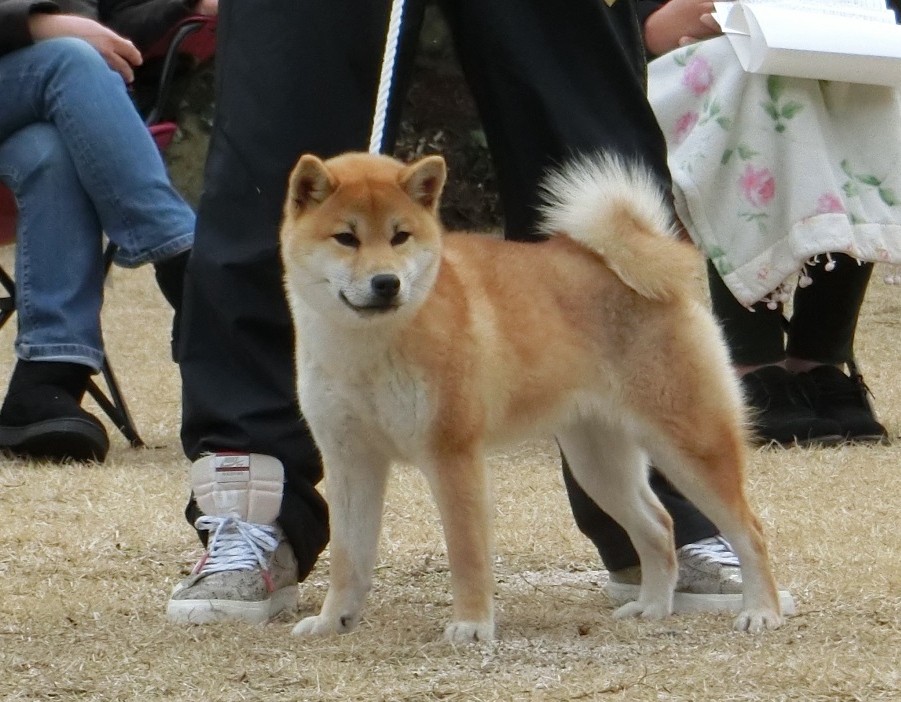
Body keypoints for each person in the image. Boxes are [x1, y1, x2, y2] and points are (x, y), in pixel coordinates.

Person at [164, 0, 774, 626]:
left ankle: (685, 520)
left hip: (614, 332)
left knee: (574, 102)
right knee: (278, 108)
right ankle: (253, 504)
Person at [636, 0, 901, 447]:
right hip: (706, 75)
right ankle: (752, 365)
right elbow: (652, 29)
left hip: (806, 60)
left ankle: (819, 362)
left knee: (872, 81)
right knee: (761, 85)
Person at [0, 0, 197, 463]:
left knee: (51, 153)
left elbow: (112, 30)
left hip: (22, 116)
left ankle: (46, 379)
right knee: (71, 59)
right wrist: (40, 25)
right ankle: (189, 268)